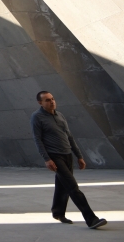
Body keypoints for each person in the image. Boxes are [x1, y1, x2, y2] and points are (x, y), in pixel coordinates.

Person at [32, 91, 107, 229]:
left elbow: (70, 137)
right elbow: (38, 140)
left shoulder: (60, 115)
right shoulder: (37, 117)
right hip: (55, 156)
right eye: (47, 100)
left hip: (67, 155)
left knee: (62, 186)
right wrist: (47, 159)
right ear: (40, 103)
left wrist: (79, 156)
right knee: (73, 187)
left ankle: (58, 212)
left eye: (53, 99)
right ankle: (91, 219)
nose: (52, 102)